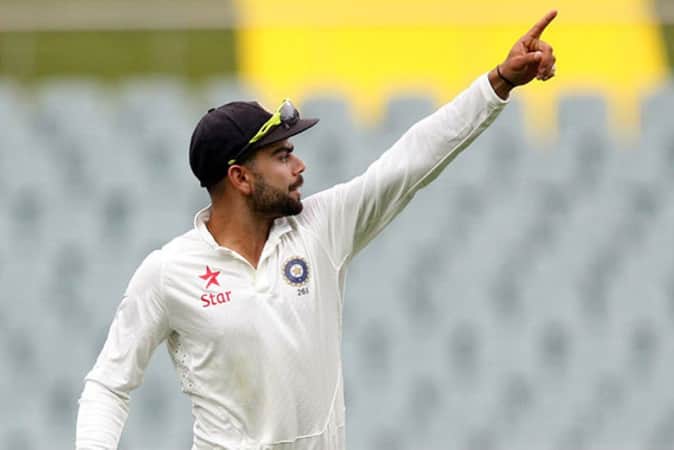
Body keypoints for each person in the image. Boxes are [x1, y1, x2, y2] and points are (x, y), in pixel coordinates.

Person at [76, 10, 557, 450]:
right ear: (240, 178)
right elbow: (108, 385)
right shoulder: (168, 272)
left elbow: (410, 161)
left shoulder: (321, 228)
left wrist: (498, 82)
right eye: (282, 156)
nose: (300, 166)